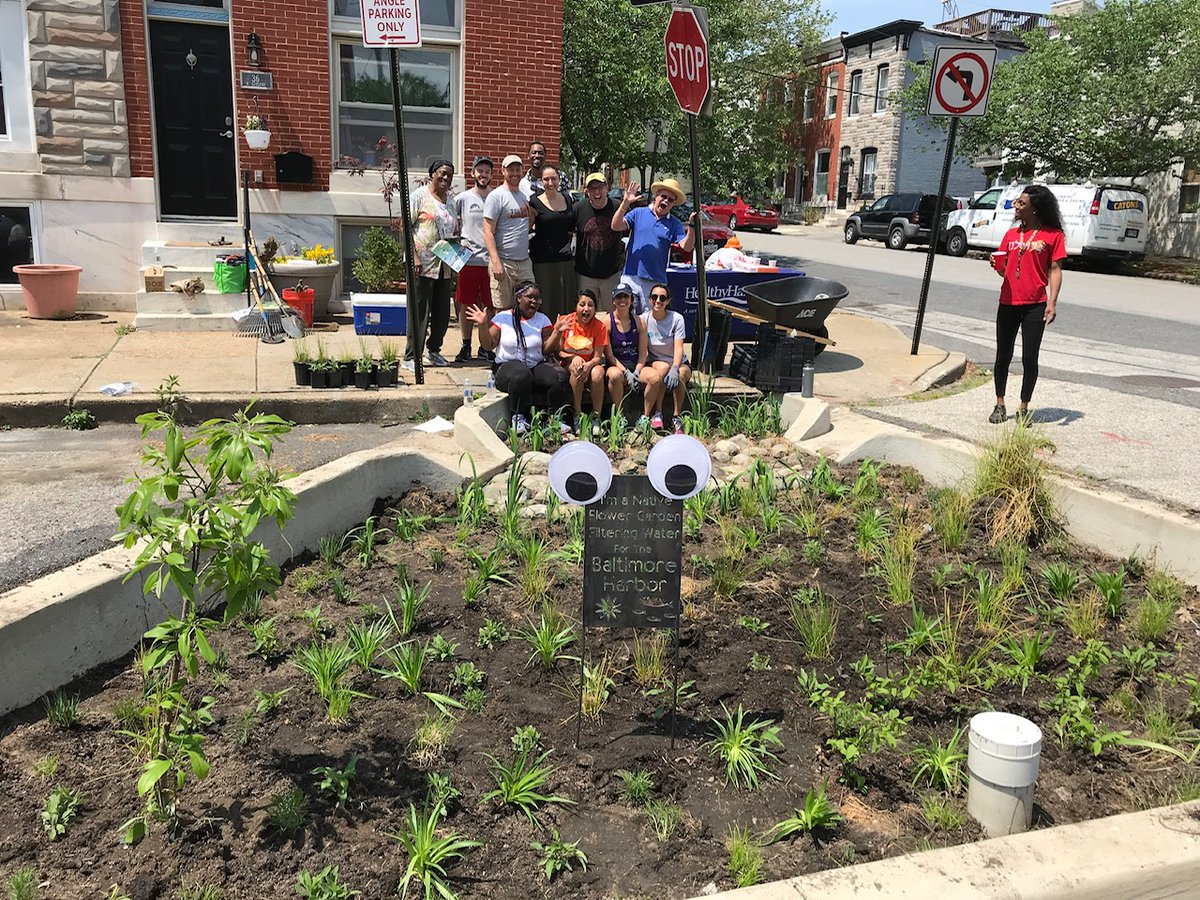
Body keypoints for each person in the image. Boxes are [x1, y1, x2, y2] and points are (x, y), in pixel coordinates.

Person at [989, 184, 1065, 425]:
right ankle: (1000, 404)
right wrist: (998, 266)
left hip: (1035, 304)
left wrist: (1052, 303)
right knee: (1003, 355)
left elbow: (1054, 269)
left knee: (1029, 359)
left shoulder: (1053, 235)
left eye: (1021, 204)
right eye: (1016, 203)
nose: (1016, 207)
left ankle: (1023, 407)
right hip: (1008, 301)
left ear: (1035, 209)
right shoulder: (1011, 235)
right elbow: (1005, 270)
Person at [464, 281, 568, 434]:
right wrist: (483, 325)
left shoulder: (542, 319)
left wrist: (557, 332)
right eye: (530, 297)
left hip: (534, 366)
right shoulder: (503, 318)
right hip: (506, 368)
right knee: (521, 374)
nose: (534, 302)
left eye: (537, 299)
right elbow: (488, 345)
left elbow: (546, 350)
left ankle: (554, 418)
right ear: (519, 298)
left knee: (559, 375)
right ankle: (517, 417)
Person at [611, 178, 696, 313]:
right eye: (663, 196)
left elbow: (687, 247)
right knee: (626, 320)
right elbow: (615, 226)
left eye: (670, 199)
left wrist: (692, 226)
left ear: (673, 204)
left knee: (649, 324)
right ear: (656, 196)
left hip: (655, 282)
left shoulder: (675, 223)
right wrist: (625, 203)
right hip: (630, 277)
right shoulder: (639, 213)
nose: (666, 201)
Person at [404, 158, 456, 370]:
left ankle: (434, 351)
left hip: (444, 265)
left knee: (442, 313)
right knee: (420, 311)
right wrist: (414, 256)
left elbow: (452, 231)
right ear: (432, 174)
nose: (445, 178)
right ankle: (411, 356)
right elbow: (406, 227)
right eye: (442, 173)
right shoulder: (419, 196)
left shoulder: (450, 202)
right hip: (422, 264)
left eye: (449, 175)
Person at [453, 156, 494, 362]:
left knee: (489, 304)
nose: (483, 174)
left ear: (491, 175)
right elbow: (451, 225)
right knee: (466, 304)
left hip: (490, 261)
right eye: (480, 171)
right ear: (472, 173)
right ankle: (466, 344)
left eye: (487, 171)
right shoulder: (462, 199)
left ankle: (486, 346)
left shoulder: (497, 198)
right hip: (468, 260)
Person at [483, 155, 535, 313]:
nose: (515, 173)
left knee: (528, 305)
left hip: (524, 261)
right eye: (510, 169)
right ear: (503, 171)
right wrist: (496, 262)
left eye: (518, 169)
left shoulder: (522, 196)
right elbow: (487, 231)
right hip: (504, 262)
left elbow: (527, 224)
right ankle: (500, 339)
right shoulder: (496, 196)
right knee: (503, 310)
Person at [638, 283, 691, 434]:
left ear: (667, 301)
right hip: (656, 360)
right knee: (662, 368)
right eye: (654, 297)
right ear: (649, 299)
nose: (658, 301)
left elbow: (679, 347)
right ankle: (657, 412)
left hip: (678, 361)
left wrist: (675, 367)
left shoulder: (677, 318)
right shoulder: (644, 319)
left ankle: (676, 416)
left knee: (680, 374)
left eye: (662, 298)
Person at [556, 290, 609, 434]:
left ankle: (596, 417)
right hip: (569, 363)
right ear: (576, 307)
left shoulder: (600, 326)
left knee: (598, 373)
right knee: (576, 369)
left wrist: (589, 365)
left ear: (595, 309)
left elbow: (598, 357)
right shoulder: (567, 321)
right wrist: (573, 358)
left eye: (591, 305)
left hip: (590, 364)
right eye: (582, 304)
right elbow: (558, 352)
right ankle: (577, 415)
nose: (586, 309)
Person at [529, 164, 576, 321]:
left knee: (566, 301)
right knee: (546, 301)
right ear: (541, 181)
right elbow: (527, 229)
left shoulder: (568, 200)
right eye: (546, 179)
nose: (550, 182)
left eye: (553, 178)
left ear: (559, 179)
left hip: (565, 260)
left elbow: (571, 228)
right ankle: (546, 339)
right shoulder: (534, 202)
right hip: (543, 261)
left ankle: (566, 339)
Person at [573, 172, 624, 309]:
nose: (597, 191)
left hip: (611, 274)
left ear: (607, 188)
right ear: (587, 191)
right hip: (586, 275)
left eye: (600, 187)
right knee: (587, 313)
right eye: (592, 188)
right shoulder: (578, 209)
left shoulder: (618, 207)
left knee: (611, 314)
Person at [602, 281, 646, 413]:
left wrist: (637, 371)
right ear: (613, 301)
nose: (622, 300)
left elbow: (643, 352)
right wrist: (626, 372)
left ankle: (648, 415)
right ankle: (619, 415)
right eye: (618, 297)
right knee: (614, 376)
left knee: (655, 378)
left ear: (631, 300)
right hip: (616, 366)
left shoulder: (639, 321)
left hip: (636, 365)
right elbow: (609, 355)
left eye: (626, 297)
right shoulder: (607, 322)